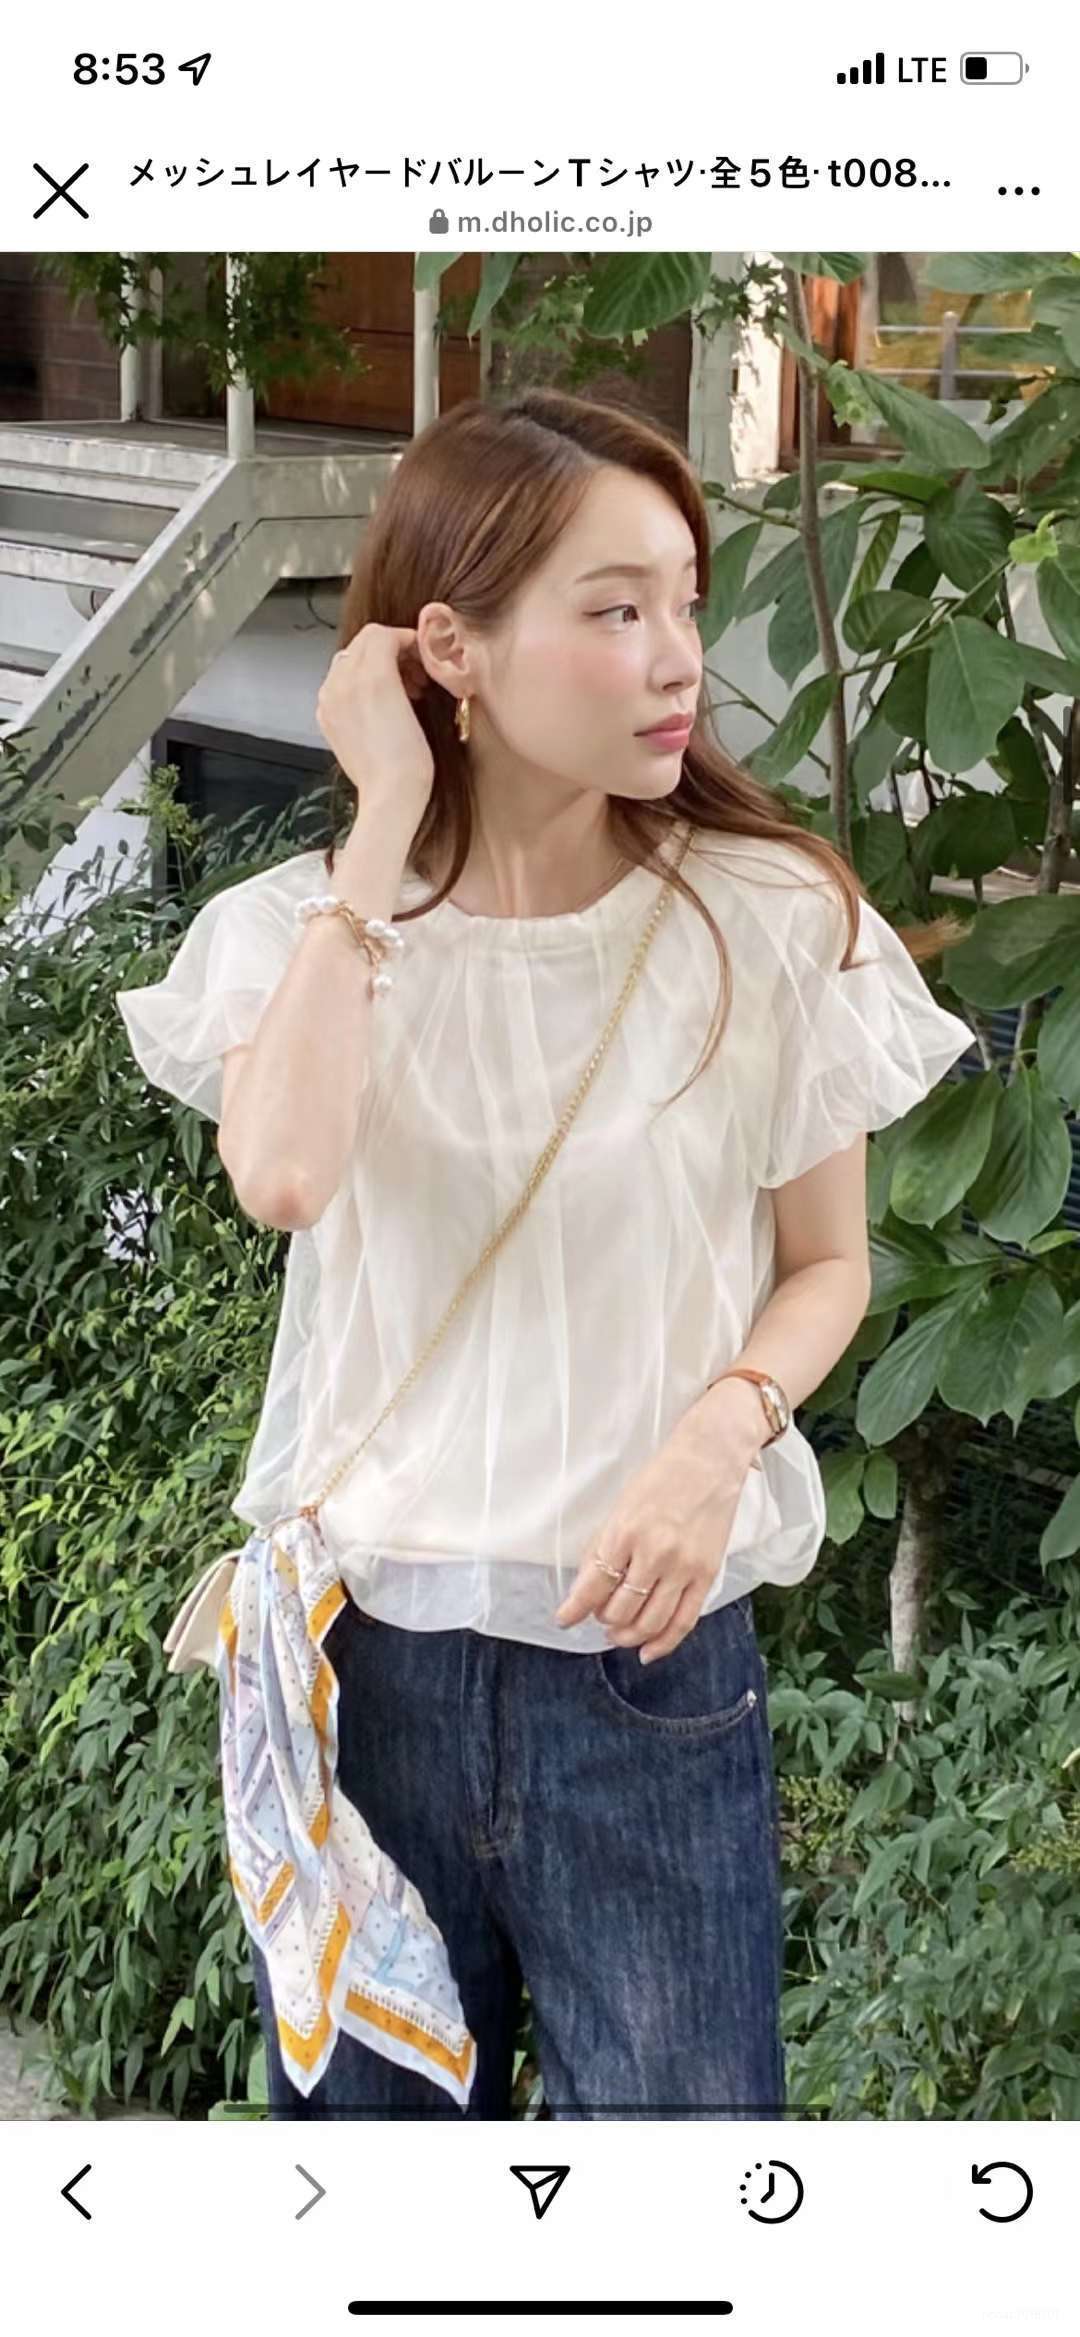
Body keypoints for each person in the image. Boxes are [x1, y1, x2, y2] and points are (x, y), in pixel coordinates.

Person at [115, 386, 974, 2120]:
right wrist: (381, 821)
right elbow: (281, 1172)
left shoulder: (768, 917)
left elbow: (828, 1262)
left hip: (650, 1677)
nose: (678, 660)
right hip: (365, 1666)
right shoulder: (303, 934)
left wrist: (718, 1435)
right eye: (615, 609)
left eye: (684, 603)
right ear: (453, 646)